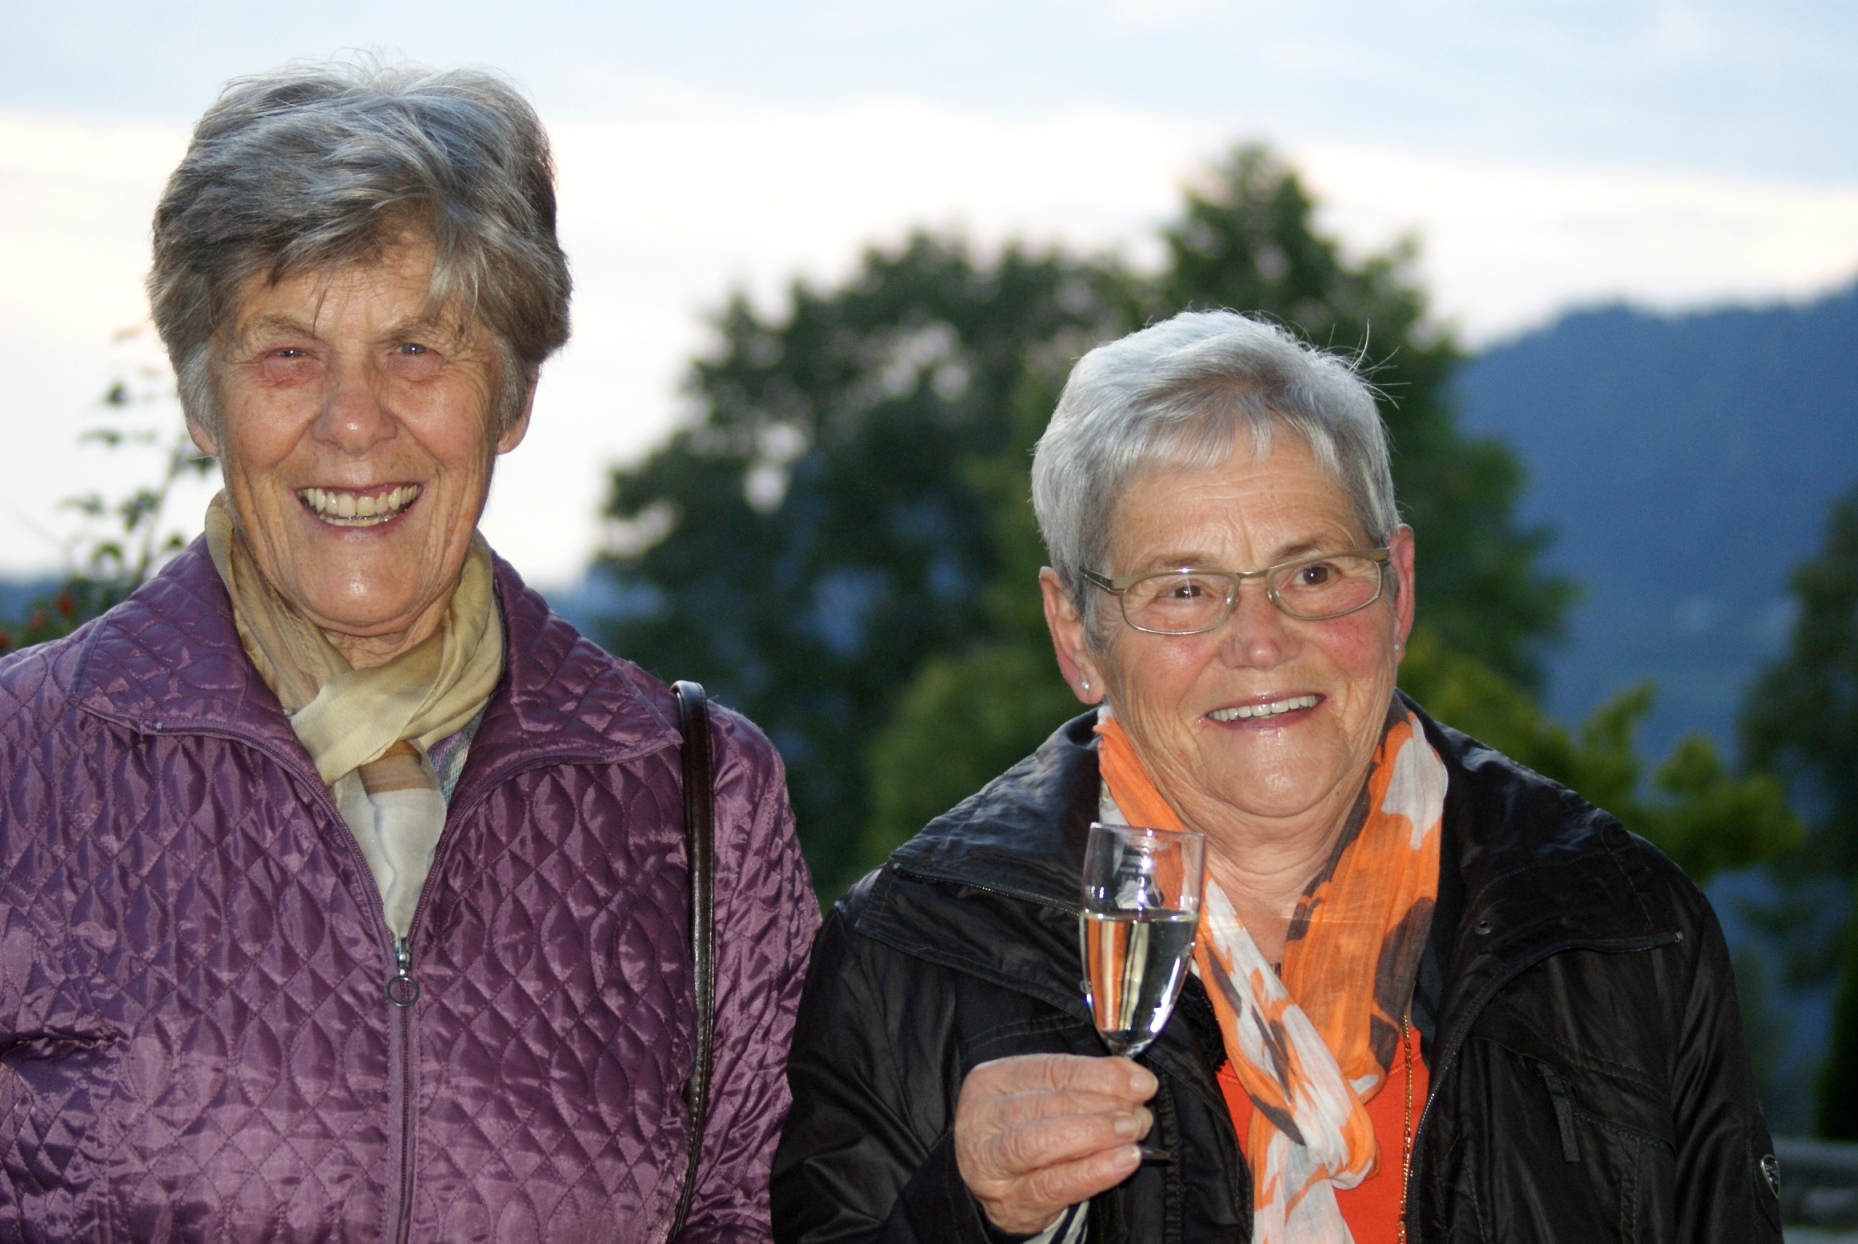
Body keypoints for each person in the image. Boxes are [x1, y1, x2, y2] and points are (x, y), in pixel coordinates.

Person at [0, 64, 817, 1240]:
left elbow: (758, 1218)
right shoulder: (22, 765)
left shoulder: (700, 799)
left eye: (418, 348)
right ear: (201, 396)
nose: (353, 420)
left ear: (512, 396)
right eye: (288, 352)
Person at [772, 310, 1780, 1243]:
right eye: (1183, 589)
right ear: (1076, 634)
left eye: (1312, 573)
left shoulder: (1616, 925)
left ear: (1398, 589)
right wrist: (964, 1214)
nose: (1259, 641)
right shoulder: (913, 950)